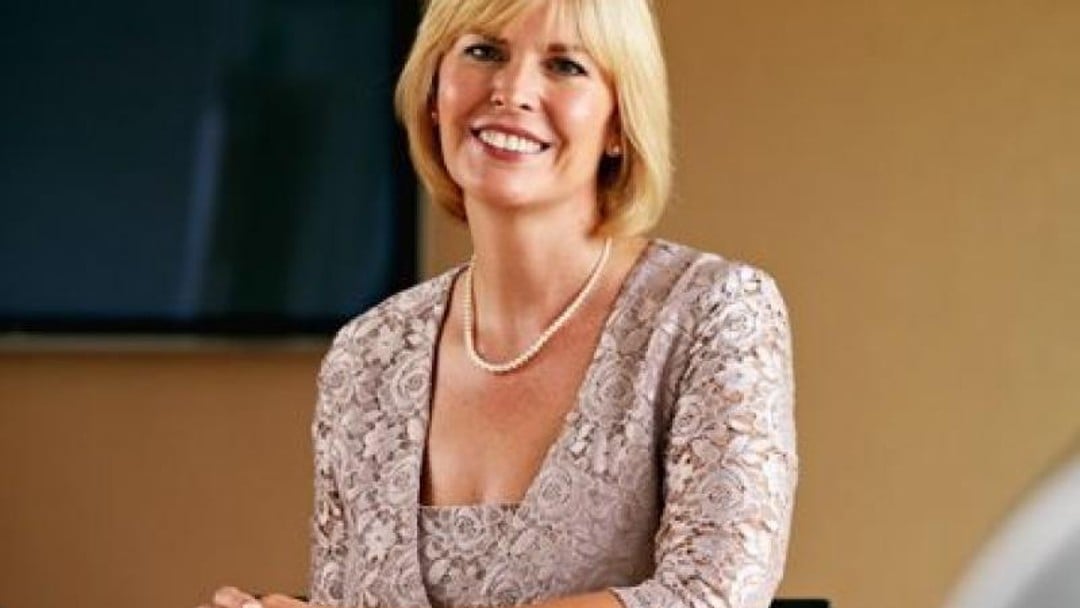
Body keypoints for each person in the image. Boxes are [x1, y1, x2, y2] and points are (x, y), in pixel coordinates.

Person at [200, 0, 797, 607]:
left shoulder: (713, 313)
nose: (511, 91)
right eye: (484, 52)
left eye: (565, 65)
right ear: (434, 95)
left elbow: (710, 597)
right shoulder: (366, 355)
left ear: (619, 123)